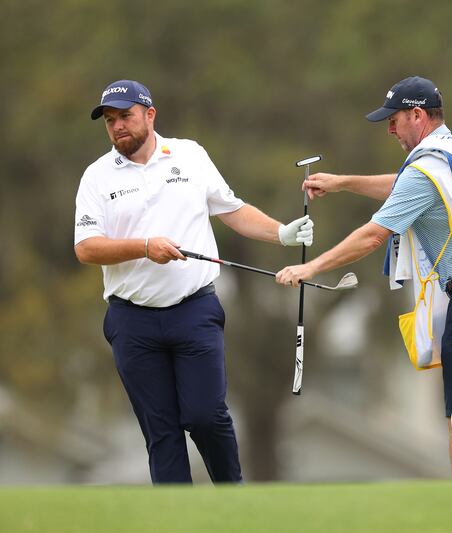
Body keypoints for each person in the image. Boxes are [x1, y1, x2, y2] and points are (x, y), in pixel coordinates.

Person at [276, 76, 452, 476]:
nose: (390, 129)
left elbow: (373, 236)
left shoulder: (428, 170)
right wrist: (343, 183)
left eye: (395, 119)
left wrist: (310, 267)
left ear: (418, 115)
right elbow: (404, 185)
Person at [74, 79, 314, 484]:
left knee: (205, 415)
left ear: (150, 114)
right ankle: (180, 521)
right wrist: (145, 247)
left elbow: (232, 210)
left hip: (193, 309)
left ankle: (232, 499)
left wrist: (282, 233)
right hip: (133, 321)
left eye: (125, 116)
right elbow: (86, 247)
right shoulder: (97, 177)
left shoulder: (189, 155)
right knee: (162, 432)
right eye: (110, 120)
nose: (117, 127)